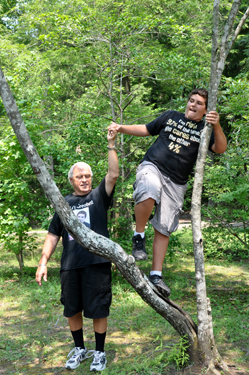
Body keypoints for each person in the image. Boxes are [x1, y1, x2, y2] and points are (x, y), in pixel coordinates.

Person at [108, 88, 227, 297]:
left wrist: (216, 124)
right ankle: (139, 235)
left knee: (165, 226)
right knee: (149, 188)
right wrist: (120, 128)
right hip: (152, 166)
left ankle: (155, 275)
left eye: (199, 103)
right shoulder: (170, 116)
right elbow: (146, 129)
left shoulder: (205, 129)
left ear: (206, 110)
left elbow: (220, 148)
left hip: (177, 182)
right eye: (191, 101)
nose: (193, 105)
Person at [35, 128, 119, 371]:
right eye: (79, 176)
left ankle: (100, 352)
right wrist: (43, 262)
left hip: (97, 263)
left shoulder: (99, 196)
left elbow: (113, 174)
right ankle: (80, 349)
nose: (84, 180)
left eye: (88, 176)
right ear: (71, 180)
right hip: (70, 266)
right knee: (72, 308)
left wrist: (111, 144)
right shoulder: (64, 204)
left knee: (99, 308)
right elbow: (52, 235)